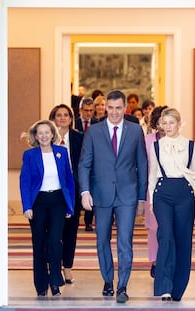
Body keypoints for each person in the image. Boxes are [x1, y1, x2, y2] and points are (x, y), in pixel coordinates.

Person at [78, 89, 148, 303]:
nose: (115, 112)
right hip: (101, 194)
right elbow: (84, 163)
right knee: (102, 240)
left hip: (127, 195)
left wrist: (142, 197)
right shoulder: (94, 132)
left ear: (125, 108)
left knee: (125, 241)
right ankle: (108, 280)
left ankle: (123, 285)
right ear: (105, 107)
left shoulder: (136, 131)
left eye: (119, 108)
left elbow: (142, 165)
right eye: (110, 108)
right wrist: (85, 190)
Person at [148, 108, 195, 302]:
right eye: (164, 123)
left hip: (184, 193)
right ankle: (164, 286)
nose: (167, 127)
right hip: (162, 193)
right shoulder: (157, 146)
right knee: (165, 236)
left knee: (183, 239)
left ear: (179, 123)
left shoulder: (190, 146)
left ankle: (178, 287)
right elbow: (152, 174)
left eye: (171, 123)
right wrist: (150, 200)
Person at [19, 120, 75, 297]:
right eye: (40, 133)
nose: (44, 136)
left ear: (53, 134)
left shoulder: (62, 152)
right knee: (39, 243)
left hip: (58, 201)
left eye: (47, 132)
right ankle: (41, 284)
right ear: (35, 136)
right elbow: (25, 182)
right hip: (38, 203)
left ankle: (55, 280)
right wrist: (27, 206)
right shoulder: (29, 155)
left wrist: (70, 205)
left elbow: (69, 181)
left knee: (55, 240)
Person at [49, 104, 84, 285]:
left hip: (73, 190)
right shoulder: (47, 137)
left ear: (71, 119)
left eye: (66, 115)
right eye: (58, 115)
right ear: (53, 118)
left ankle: (68, 267)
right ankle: (54, 267)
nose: (62, 118)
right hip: (52, 191)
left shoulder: (79, 138)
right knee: (54, 230)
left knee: (70, 230)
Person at [144, 105, 168, 278]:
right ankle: (155, 261)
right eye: (160, 120)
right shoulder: (147, 140)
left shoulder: (178, 141)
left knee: (169, 227)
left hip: (171, 188)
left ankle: (167, 259)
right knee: (153, 228)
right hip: (151, 189)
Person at [74, 97, 97, 231]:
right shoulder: (74, 123)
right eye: (86, 110)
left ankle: (88, 222)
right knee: (78, 190)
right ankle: (76, 220)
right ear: (80, 110)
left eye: (91, 110)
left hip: (92, 161)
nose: (88, 113)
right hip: (78, 160)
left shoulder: (98, 123)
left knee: (90, 190)